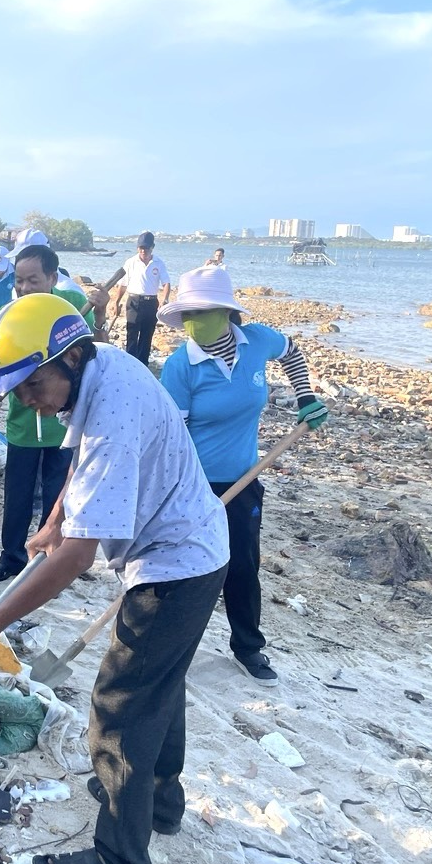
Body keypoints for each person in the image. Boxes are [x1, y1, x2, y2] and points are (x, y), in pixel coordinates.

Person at [0, 293, 229, 864]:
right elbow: (82, 460)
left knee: (119, 706)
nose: (26, 399)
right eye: (16, 389)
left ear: (69, 358)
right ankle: (158, 800)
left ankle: (120, 862)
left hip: (176, 564)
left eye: (33, 384)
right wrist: (56, 518)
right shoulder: (102, 368)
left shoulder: (111, 413)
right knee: (160, 685)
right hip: (193, 547)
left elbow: (76, 559)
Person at [157, 266, 329, 685]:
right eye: (188, 315)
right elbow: (174, 438)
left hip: (245, 480)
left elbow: (291, 352)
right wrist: (182, 493)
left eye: (202, 313)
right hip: (192, 486)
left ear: (225, 312)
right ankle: (168, 651)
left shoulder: (257, 341)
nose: (193, 323)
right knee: (188, 570)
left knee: (242, 566)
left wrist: (305, 397)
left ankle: (248, 648)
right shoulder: (181, 366)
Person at [0, 244, 100, 583]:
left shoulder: (69, 310)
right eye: (19, 280)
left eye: (32, 280)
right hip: (22, 423)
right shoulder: (9, 316)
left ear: (52, 277)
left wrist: (103, 313)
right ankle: (12, 557)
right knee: (17, 495)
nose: (24, 288)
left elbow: (94, 351)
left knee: (59, 494)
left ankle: (53, 558)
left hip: (62, 426)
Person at [107, 231, 170, 368]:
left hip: (151, 302)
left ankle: (142, 365)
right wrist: (116, 302)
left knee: (147, 335)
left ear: (152, 247)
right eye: (141, 248)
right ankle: (129, 364)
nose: (143, 251)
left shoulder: (158, 263)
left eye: (146, 248)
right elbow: (123, 284)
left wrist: (164, 299)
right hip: (134, 301)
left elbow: (166, 283)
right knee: (132, 333)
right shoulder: (131, 262)